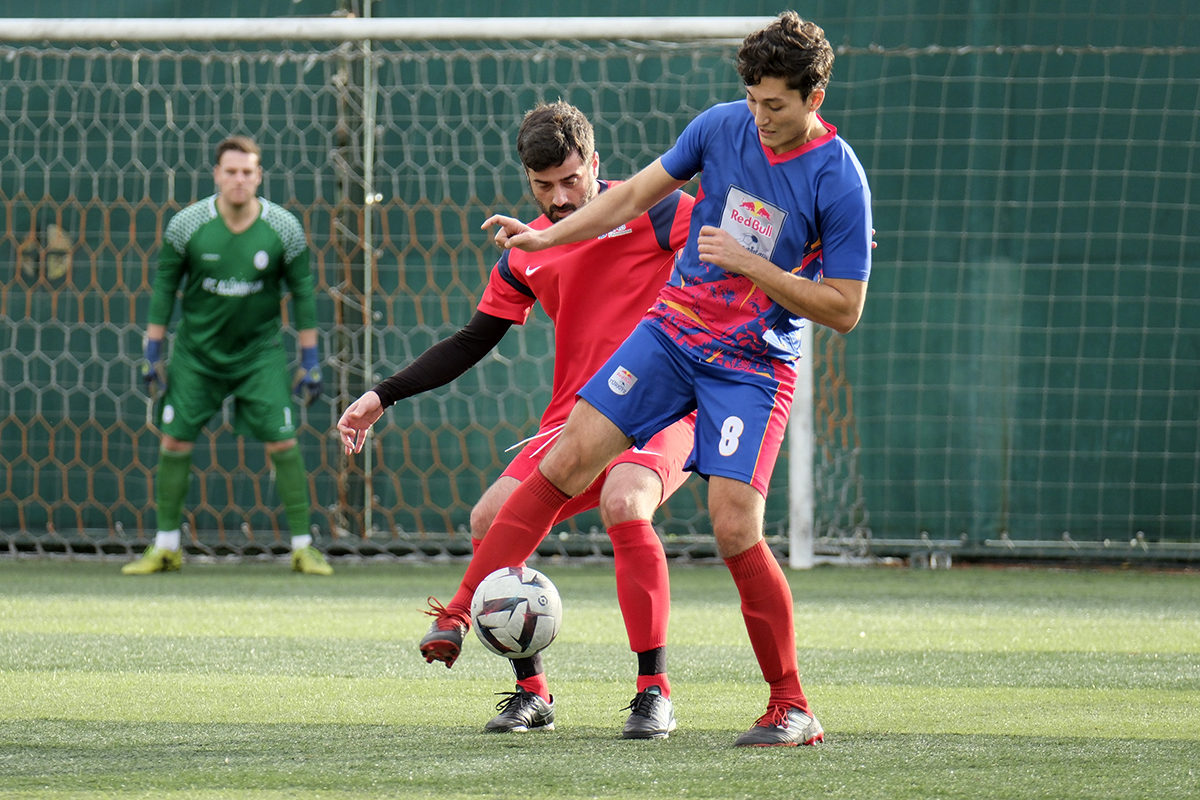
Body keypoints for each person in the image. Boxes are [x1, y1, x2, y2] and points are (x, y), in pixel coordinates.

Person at [421, 12, 873, 747]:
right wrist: (547, 235)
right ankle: (460, 610)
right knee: (566, 460)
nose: (760, 117)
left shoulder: (839, 177)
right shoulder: (720, 126)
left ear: (813, 97)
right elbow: (629, 197)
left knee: (734, 528)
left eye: (776, 104)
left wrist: (754, 265)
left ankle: (790, 706)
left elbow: (845, 310)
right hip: (669, 335)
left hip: (753, 365)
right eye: (753, 99)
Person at [338, 101, 696, 738]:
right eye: (543, 186)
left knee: (624, 500)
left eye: (571, 180)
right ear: (527, 182)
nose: (560, 199)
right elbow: (471, 340)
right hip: (574, 420)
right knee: (487, 517)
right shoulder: (527, 252)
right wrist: (383, 395)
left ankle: (653, 691)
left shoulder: (656, 210)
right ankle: (532, 693)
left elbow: (735, 237)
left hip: (663, 410)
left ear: (594, 163)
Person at [124, 135, 332, 577]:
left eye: (247, 172)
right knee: (174, 440)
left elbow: (303, 295)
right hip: (197, 356)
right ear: (216, 174)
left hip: (260, 355)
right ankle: (165, 547)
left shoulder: (284, 229)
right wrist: (153, 351)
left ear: (259, 176)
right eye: (231, 171)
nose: (239, 179)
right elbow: (164, 288)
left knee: (283, 439)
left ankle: (302, 547)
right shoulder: (186, 226)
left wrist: (310, 359)